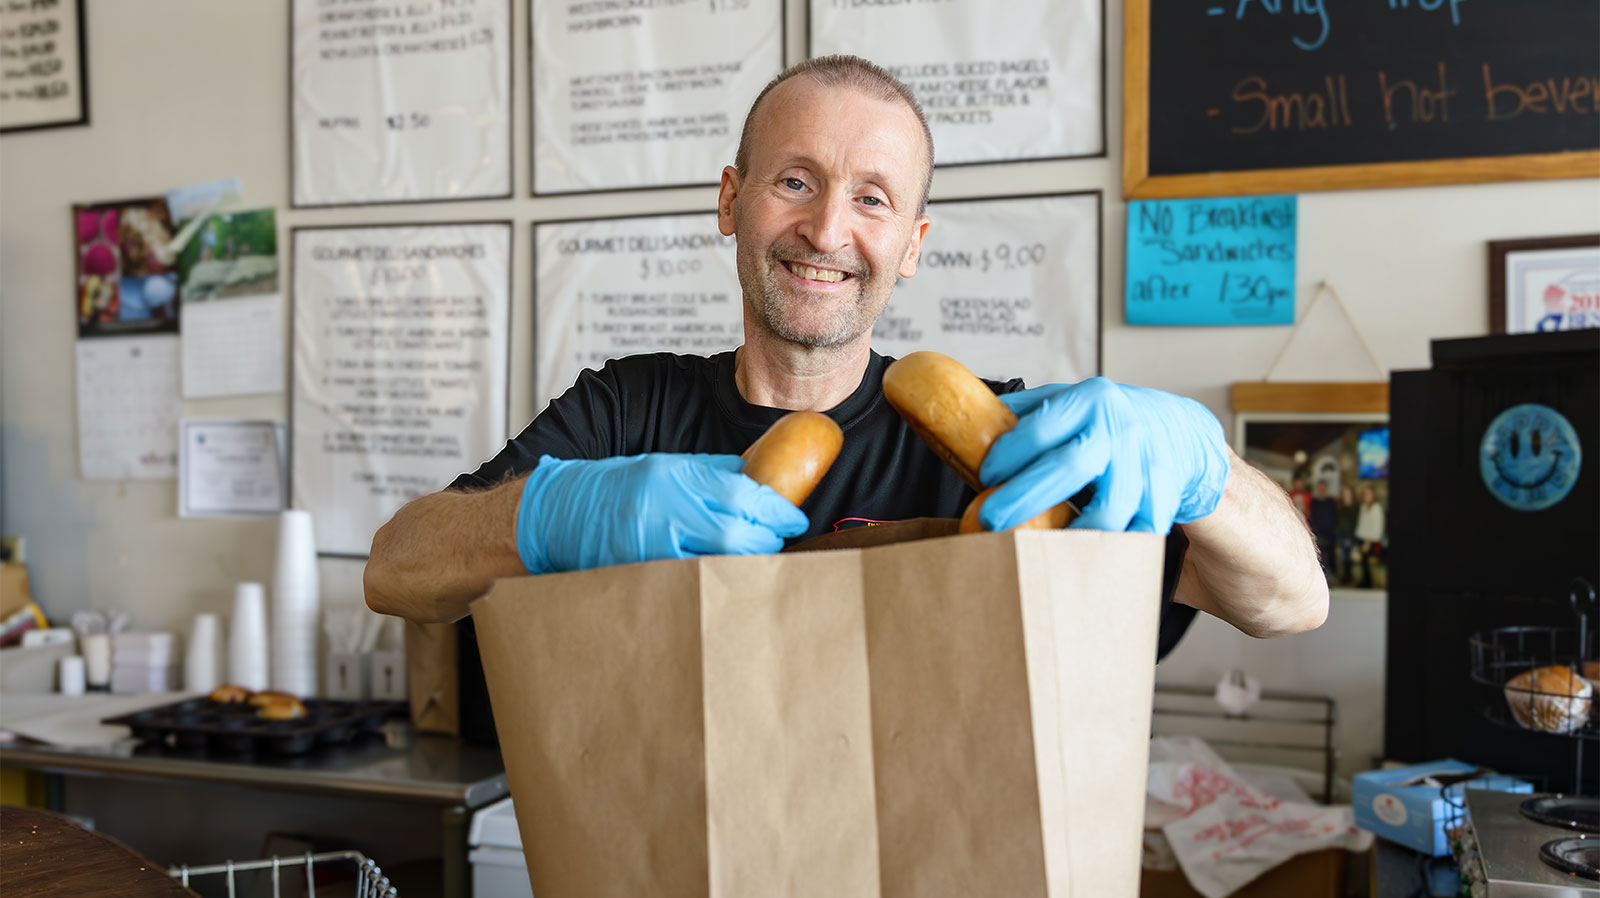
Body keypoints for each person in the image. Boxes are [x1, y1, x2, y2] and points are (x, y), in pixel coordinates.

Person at [364, 56, 1328, 647]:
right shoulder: (625, 412)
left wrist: (1208, 470)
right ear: (730, 201)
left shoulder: (1000, 443)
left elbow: (1289, 604)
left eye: (872, 198)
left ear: (911, 245)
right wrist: (557, 510)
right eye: (795, 181)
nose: (827, 230)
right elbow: (396, 571)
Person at [1354, 485, 1386, 588]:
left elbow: (1377, 528)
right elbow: (1361, 525)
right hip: (1362, 538)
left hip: (1373, 540)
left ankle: (1368, 582)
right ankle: (1363, 580)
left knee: (1366, 557)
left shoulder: (1376, 508)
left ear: (1373, 495)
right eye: (1365, 494)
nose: (1366, 496)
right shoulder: (1363, 507)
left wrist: (1368, 542)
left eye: (1368, 494)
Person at [1307, 480, 1337, 580]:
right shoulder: (1314, 502)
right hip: (1318, 532)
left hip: (1330, 532)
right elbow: (1312, 516)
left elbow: (1334, 516)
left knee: (1331, 555)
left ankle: (1332, 574)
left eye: (1323, 487)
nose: (1321, 489)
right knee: (1318, 555)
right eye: (1320, 486)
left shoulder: (1331, 502)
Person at [1335, 484, 1359, 584]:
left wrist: (1351, 537)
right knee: (1343, 556)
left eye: (1348, 494)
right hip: (1341, 535)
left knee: (1349, 556)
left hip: (1350, 536)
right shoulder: (1340, 508)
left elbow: (1355, 524)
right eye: (1345, 494)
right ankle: (1345, 576)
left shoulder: (1355, 508)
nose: (1346, 497)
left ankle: (1349, 577)